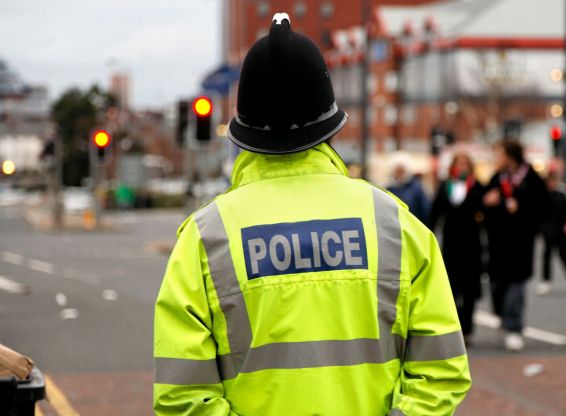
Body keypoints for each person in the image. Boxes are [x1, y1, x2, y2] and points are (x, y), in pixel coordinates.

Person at [153, 14, 470, 415]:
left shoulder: (205, 237)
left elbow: (182, 396)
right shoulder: (394, 225)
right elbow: (442, 370)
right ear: (331, 126)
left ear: (244, 129)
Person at [482, 140, 548, 351]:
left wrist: (521, 209)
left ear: (511, 156)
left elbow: (543, 207)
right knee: (497, 286)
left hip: (521, 242)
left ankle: (514, 328)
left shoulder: (531, 179)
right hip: (498, 243)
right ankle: (502, 318)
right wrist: (488, 203)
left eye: (500, 155)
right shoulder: (496, 179)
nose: (497, 159)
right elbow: (482, 208)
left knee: (516, 285)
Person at [429, 153, 485, 345]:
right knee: (451, 288)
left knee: (469, 289)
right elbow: (435, 213)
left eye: (465, 163)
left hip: (472, 243)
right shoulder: (446, 185)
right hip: (451, 243)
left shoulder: (477, 186)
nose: (462, 166)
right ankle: (454, 329)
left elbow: (484, 210)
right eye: (459, 163)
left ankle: (468, 330)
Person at [536, 172, 566, 296]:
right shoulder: (541, 197)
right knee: (546, 256)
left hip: (561, 230)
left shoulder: (561, 196)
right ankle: (546, 281)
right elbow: (538, 216)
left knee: (563, 254)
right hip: (548, 231)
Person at [387, 155, 430, 225]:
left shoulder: (416, 189)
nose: (399, 174)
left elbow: (425, 211)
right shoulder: (389, 189)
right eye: (397, 171)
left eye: (401, 171)